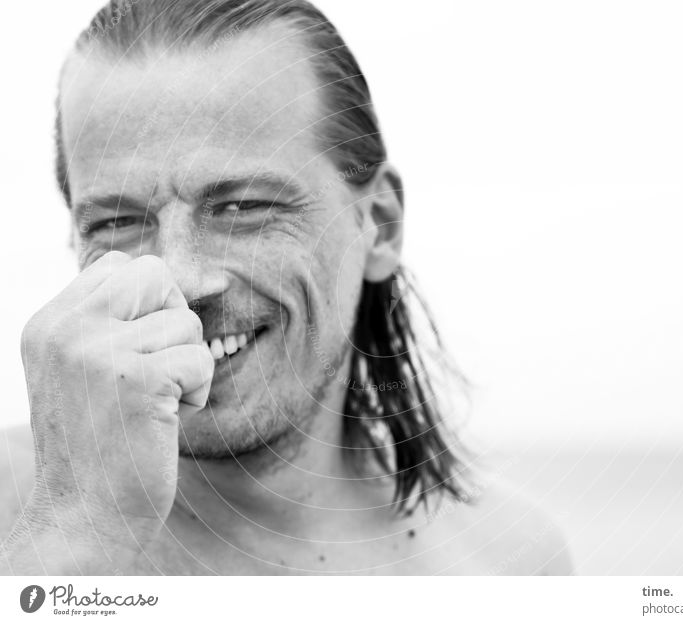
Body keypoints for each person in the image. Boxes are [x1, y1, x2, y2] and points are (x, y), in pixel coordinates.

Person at [0, 0, 572, 575]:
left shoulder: (510, 563)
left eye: (243, 207)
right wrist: (79, 523)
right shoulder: (24, 523)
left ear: (379, 226)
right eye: (116, 222)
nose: (181, 279)